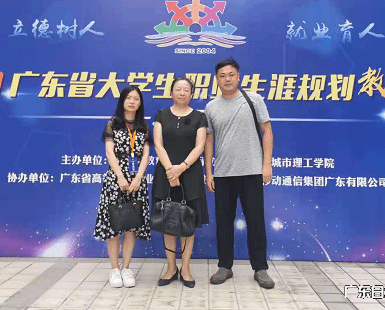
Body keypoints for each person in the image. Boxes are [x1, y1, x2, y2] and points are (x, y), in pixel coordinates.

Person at [204, 58, 275, 289]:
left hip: (252, 171)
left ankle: (260, 268)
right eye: (222, 76)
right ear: (217, 79)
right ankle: (224, 266)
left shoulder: (253, 100)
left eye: (231, 74)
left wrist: (266, 165)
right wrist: (209, 173)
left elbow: (267, 131)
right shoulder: (211, 107)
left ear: (238, 76)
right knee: (223, 222)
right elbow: (208, 141)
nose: (227, 79)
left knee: (256, 221)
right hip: (223, 173)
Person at [152, 77, 209, 288]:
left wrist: (181, 168)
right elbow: (158, 145)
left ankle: (185, 269)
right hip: (165, 174)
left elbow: (200, 146)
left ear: (191, 94)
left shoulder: (199, 117)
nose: (182, 92)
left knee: (187, 223)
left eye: (186, 90)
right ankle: (171, 268)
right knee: (167, 221)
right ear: (171, 92)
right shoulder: (161, 115)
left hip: (190, 175)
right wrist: (170, 171)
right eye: (178, 89)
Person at [94, 85, 152, 288]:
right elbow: (109, 152)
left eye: (136, 98)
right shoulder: (113, 123)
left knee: (131, 226)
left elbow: (146, 155)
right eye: (129, 98)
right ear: (123, 101)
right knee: (114, 226)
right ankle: (114, 269)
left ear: (140, 103)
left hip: (137, 182)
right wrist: (120, 176)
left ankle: (126, 268)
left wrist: (138, 178)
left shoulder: (143, 126)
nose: (132, 102)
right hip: (115, 179)